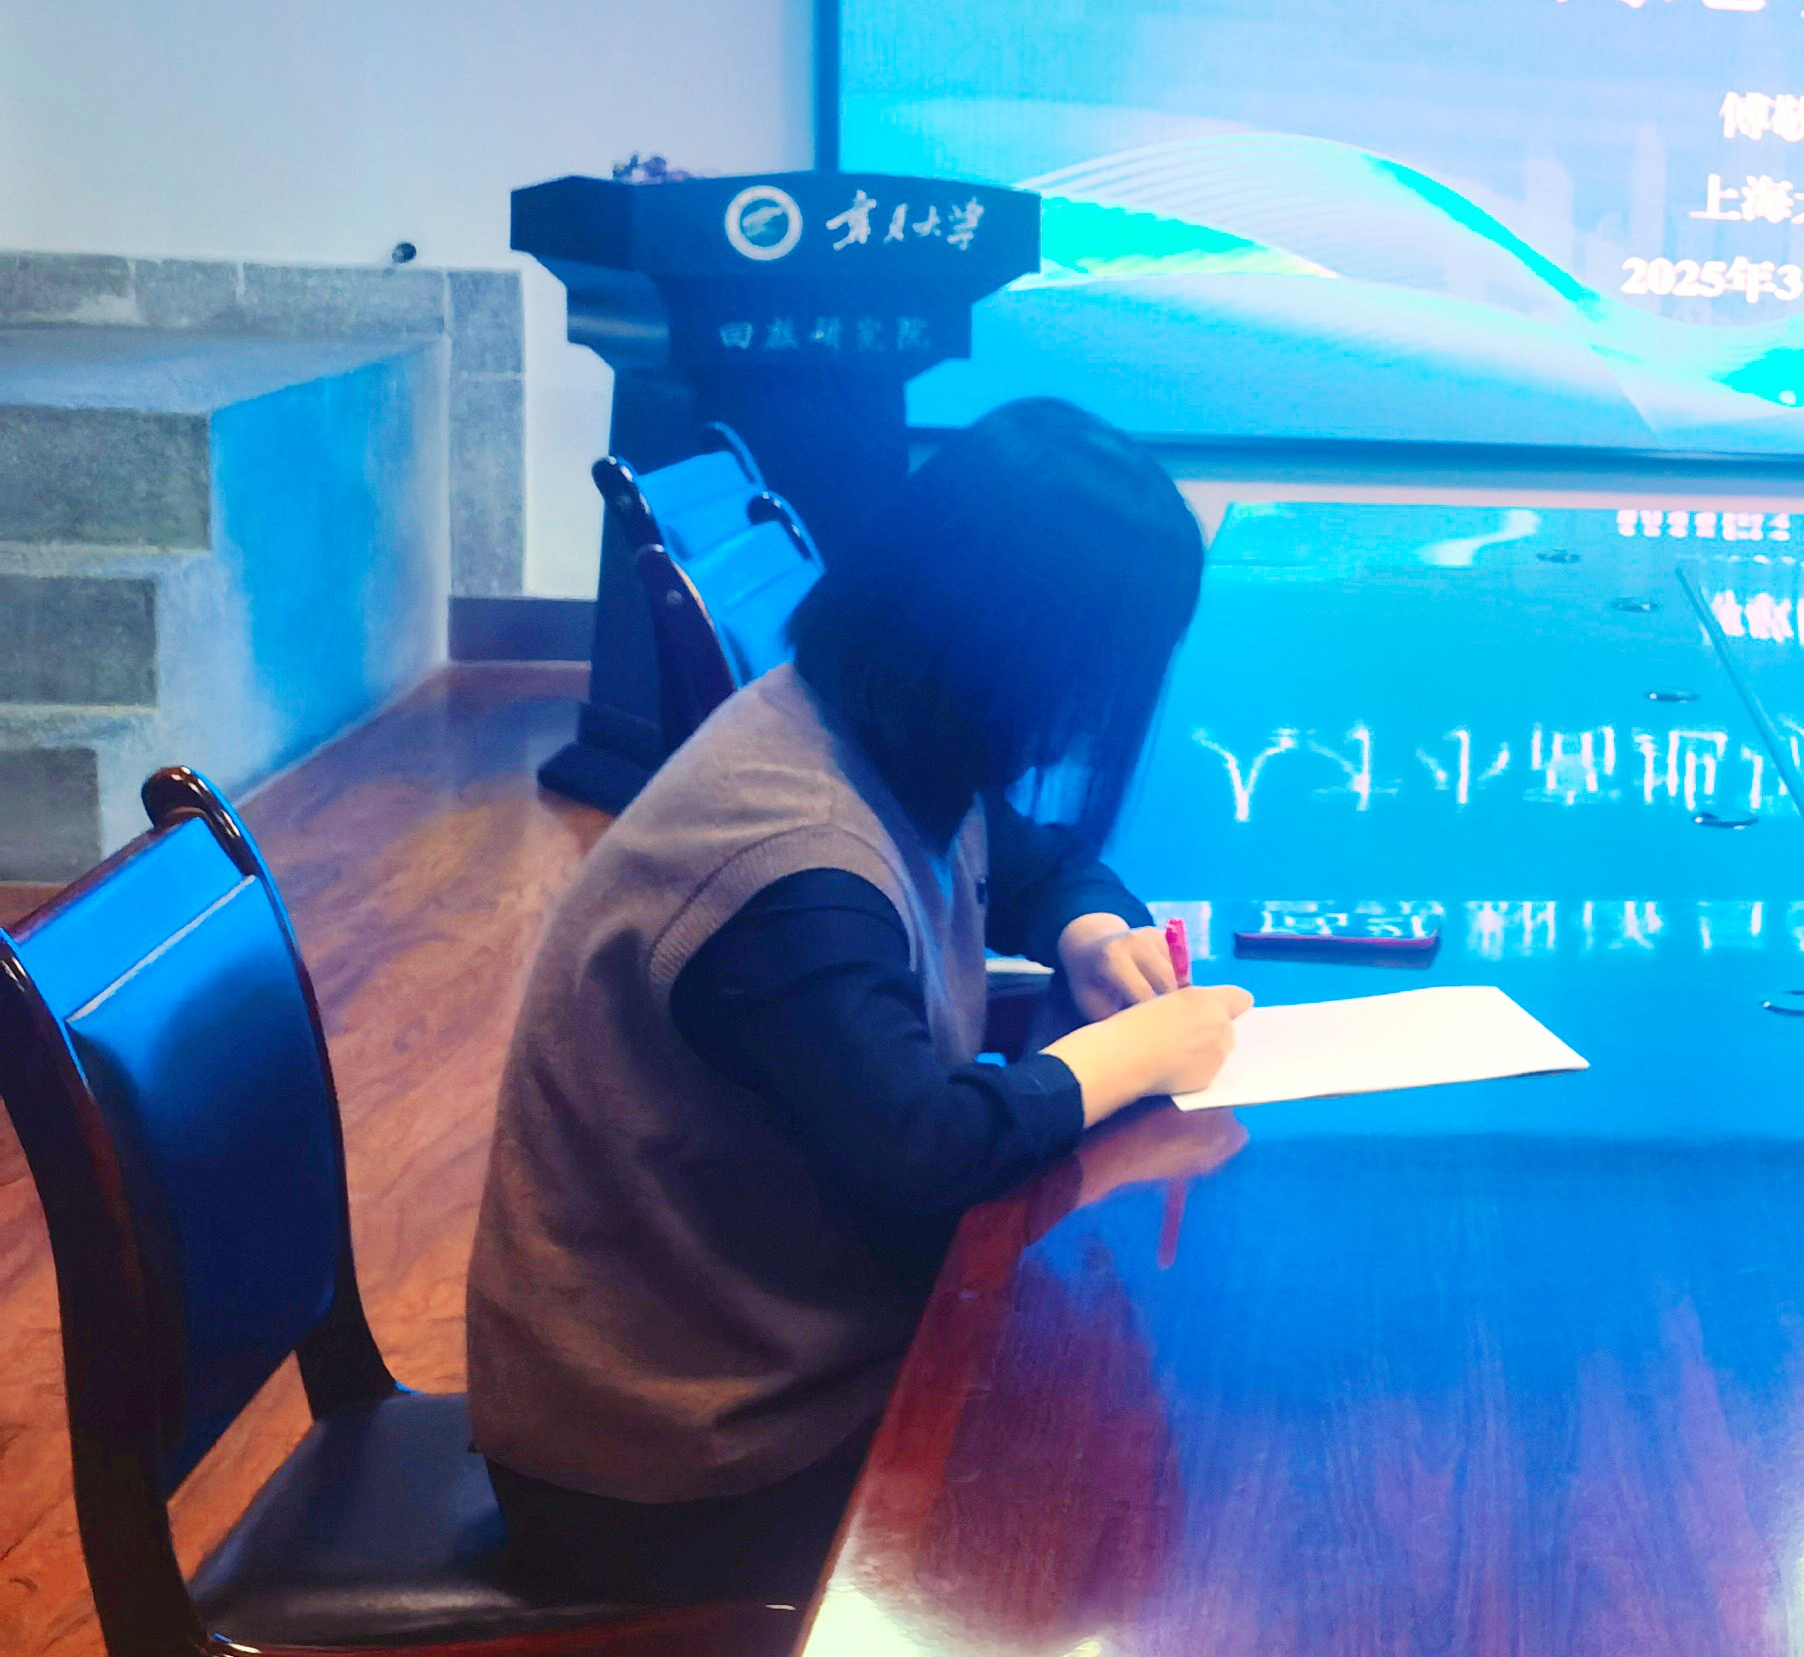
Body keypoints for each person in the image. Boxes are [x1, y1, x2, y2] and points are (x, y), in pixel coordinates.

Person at [467, 399, 1252, 1600]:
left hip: (761, 1355)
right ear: (1029, 663)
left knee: (1135, 1416)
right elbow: (924, 1156)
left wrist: (1093, 936)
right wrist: (1131, 1055)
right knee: (1147, 1512)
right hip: (681, 1461)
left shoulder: (871, 720)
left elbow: (1028, 858)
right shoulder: (793, 867)